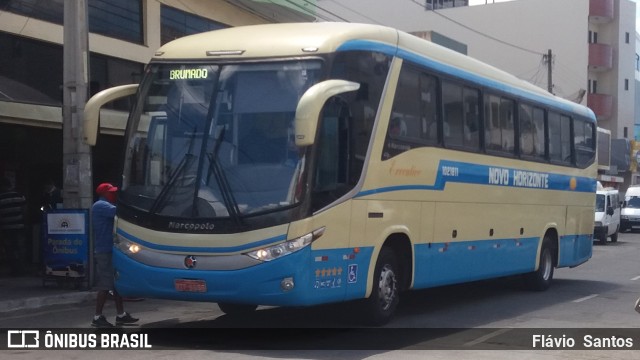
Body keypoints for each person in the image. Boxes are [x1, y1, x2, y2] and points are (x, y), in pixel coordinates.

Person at [91, 182, 139, 327]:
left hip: (112, 249)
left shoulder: (105, 205)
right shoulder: (100, 206)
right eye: (111, 192)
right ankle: (97, 317)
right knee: (105, 285)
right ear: (104, 193)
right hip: (104, 250)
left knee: (116, 284)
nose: (113, 194)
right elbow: (120, 212)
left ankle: (121, 315)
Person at [0, 177, 27, 276]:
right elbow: (24, 210)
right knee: (20, 248)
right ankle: (22, 269)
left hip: (6, 227)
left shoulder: (1, 198)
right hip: (19, 226)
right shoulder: (19, 196)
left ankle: (14, 269)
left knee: (9, 249)